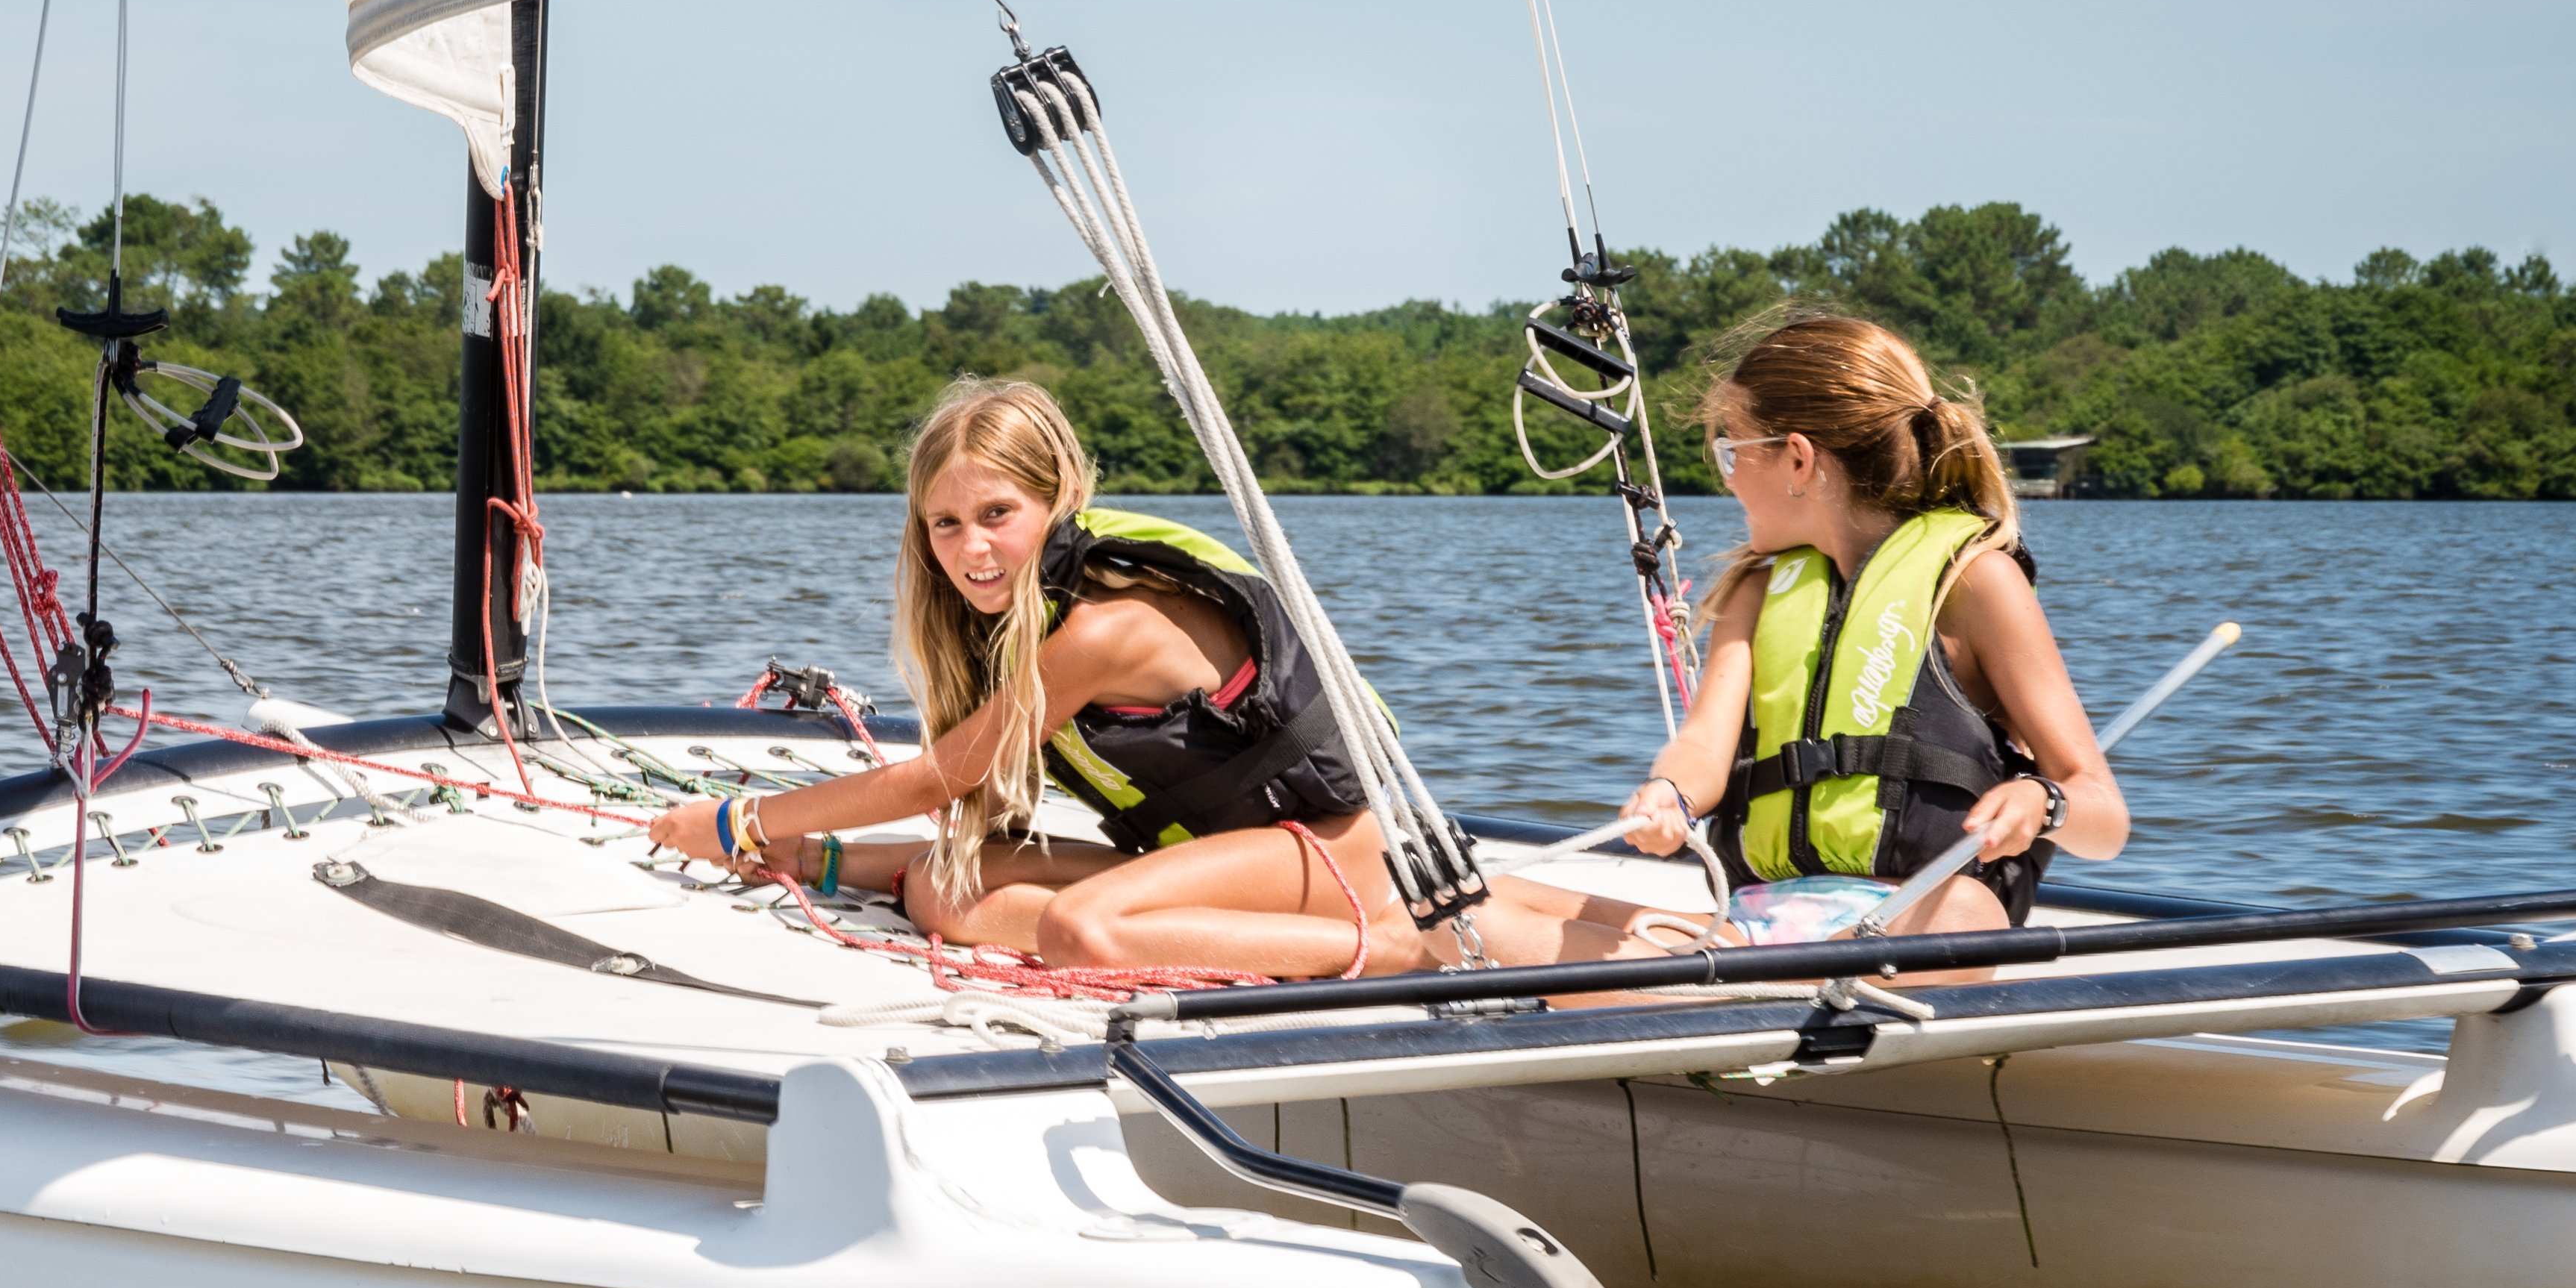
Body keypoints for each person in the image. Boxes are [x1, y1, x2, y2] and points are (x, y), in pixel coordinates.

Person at [649, 377, 1653, 980]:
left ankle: (1392, 949)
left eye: (997, 513)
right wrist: (812, 859)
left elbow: (928, 779)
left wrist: (742, 822)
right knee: (946, 887)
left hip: (1323, 846)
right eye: (944, 523)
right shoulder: (1015, 624)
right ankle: (1341, 925)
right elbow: (962, 826)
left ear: (1056, 500)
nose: (970, 547)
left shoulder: (1103, 627)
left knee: (1082, 930)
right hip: (1241, 852)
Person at [1617, 303, 2127, 937]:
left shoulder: (1973, 581)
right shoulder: (1758, 588)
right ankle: (1750, 987)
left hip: (1912, 925)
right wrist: (1669, 791)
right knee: (1467, 905)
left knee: (1965, 912)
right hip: (1753, 926)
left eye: (1730, 451)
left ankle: (1722, 990)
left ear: (1798, 460)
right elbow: (1702, 749)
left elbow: (2104, 818)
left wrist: (2042, 801)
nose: (1727, 479)